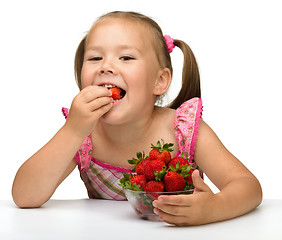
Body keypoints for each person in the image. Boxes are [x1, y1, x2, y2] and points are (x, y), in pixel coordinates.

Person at [12, 11, 262, 226]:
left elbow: (248, 187)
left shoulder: (183, 129)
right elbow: (25, 197)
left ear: (159, 81)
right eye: (95, 58)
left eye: (126, 57)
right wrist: (72, 131)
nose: (105, 67)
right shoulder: (83, 136)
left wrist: (214, 208)